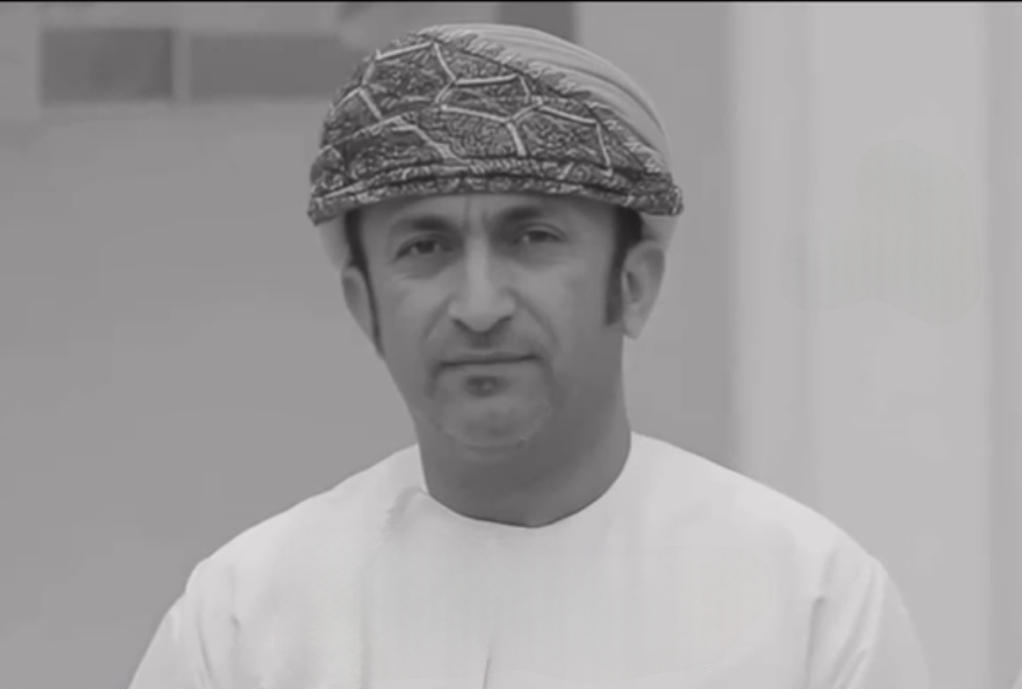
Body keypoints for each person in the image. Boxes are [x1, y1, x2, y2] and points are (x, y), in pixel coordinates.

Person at [127, 22, 931, 689]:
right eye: (425, 246)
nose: (479, 306)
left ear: (634, 284)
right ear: (364, 305)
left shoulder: (813, 610)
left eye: (533, 237)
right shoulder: (244, 625)